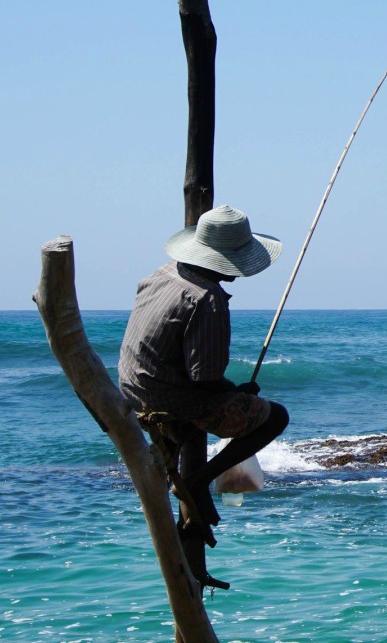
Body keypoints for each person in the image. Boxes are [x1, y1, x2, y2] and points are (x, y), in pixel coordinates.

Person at [119, 205, 289, 535]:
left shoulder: (161, 275)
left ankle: (187, 489)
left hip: (133, 386)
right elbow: (205, 378)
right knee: (276, 417)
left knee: (219, 406)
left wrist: (231, 392)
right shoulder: (207, 298)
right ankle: (200, 481)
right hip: (167, 399)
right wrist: (235, 393)